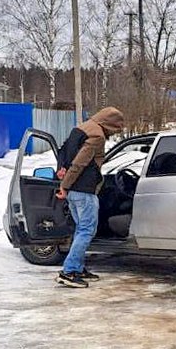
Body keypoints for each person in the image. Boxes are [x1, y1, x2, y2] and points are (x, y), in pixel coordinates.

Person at [55, 107, 125, 288]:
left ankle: (77, 268)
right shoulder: (97, 136)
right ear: (109, 124)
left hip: (74, 191)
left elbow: (63, 151)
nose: (112, 133)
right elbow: (80, 163)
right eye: (115, 128)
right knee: (87, 230)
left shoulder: (81, 128)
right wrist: (64, 186)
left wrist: (61, 171)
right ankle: (69, 272)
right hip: (84, 190)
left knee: (81, 229)